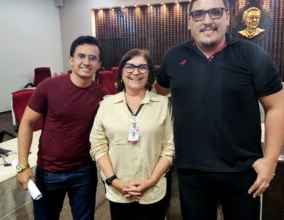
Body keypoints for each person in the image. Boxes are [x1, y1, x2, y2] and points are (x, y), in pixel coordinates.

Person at [155, 0, 284, 219]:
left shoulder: (253, 56)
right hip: (192, 171)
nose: (207, 21)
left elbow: (276, 107)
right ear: (189, 22)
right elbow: (155, 95)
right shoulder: (173, 57)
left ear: (227, 18)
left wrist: (270, 161)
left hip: (242, 171)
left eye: (215, 12)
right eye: (198, 14)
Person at [16, 35, 108, 220]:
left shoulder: (102, 96)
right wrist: (22, 166)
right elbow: (27, 123)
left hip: (84, 172)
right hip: (48, 172)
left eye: (92, 58)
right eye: (81, 56)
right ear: (71, 59)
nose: (86, 62)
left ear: (99, 63)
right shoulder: (48, 87)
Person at [90, 48, 174, 220]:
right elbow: (98, 145)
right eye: (130, 67)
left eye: (142, 67)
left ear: (149, 74)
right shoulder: (107, 106)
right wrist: (114, 181)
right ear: (121, 72)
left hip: (153, 190)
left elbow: (169, 148)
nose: (136, 72)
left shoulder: (163, 105)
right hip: (119, 191)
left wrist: (150, 182)